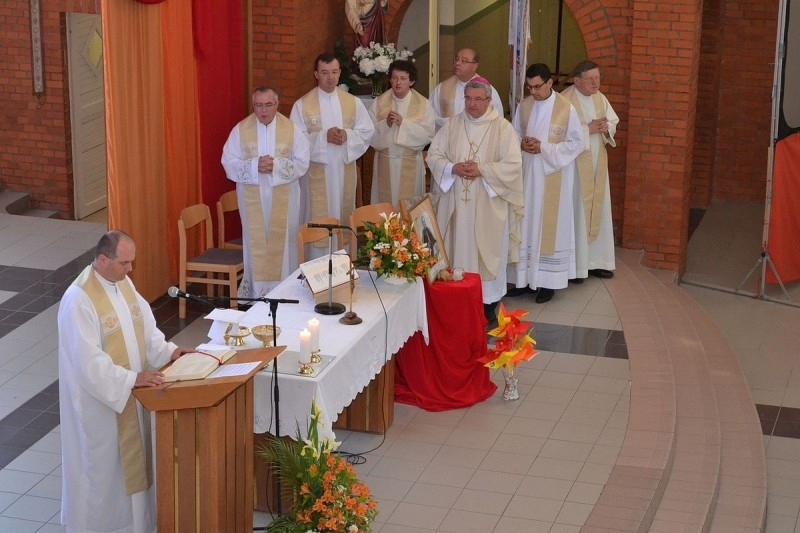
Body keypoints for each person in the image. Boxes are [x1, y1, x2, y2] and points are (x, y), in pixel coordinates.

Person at [58, 230, 193, 533]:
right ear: (102, 260)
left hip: (131, 400)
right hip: (101, 411)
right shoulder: (78, 300)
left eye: (132, 262)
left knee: (131, 475)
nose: (130, 269)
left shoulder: (123, 283)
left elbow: (147, 331)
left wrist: (170, 352)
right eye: (124, 263)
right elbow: (88, 364)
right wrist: (132, 379)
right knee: (104, 479)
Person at [426, 77, 523, 320]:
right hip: (456, 206)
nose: (472, 104)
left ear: (489, 100)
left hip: (488, 206)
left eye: (478, 99)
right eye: (468, 98)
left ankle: (487, 304)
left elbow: (513, 165)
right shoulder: (453, 125)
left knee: (486, 254)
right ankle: (455, 299)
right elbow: (433, 155)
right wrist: (452, 168)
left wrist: (483, 170)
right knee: (456, 249)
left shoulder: (503, 128)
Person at [222, 86, 310, 297]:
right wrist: (255, 166)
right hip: (253, 198)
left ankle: (286, 292)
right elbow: (228, 161)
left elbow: (303, 161)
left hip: (285, 198)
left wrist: (275, 166)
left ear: (277, 105)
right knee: (256, 243)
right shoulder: (241, 130)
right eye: (259, 105)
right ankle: (257, 293)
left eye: (268, 105)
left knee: (285, 243)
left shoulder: (292, 130)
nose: (264, 110)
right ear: (253, 106)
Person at [507, 63, 585, 303]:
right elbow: (513, 134)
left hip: (553, 177)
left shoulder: (565, 108)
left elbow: (576, 143)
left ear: (550, 83)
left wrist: (544, 147)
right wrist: (521, 143)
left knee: (548, 227)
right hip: (528, 175)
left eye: (537, 87)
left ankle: (547, 282)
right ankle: (523, 279)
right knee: (526, 224)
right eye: (529, 87)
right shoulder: (524, 105)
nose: (533, 92)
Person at [290, 52, 375, 254]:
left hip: (343, 171)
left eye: (334, 72)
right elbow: (295, 140)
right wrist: (322, 137)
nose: (330, 78)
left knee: (342, 214)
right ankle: (314, 263)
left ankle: (342, 262)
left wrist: (347, 135)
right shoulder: (302, 105)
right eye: (325, 72)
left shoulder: (352, 102)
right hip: (316, 174)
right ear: (316, 74)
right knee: (316, 215)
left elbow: (366, 131)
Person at [561, 60, 619, 279]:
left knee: (599, 209)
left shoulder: (600, 98)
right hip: (574, 169)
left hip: (597, 164)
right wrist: (588, 129)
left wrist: (606, 127)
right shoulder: (564, 101)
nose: (596, 83)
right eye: (591, 79)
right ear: (577, 80)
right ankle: (576, 267)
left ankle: (596, 261)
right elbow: (558, 134)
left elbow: (613, 120)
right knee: (577, 212)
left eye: (598, 78)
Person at [368, 59, 435, 205]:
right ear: (390, 79)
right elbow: (368, 133)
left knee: (409, 208)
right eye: (394, 77)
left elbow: (428, 134)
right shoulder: (379, 102)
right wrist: (386, 125)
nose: (398, 82)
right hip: (385, 162)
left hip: (410, 163)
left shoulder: (423, 104)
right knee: (385, 210)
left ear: (411, 81)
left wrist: (403, 124)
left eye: (403, 78)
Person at [429, 48, 505, 132]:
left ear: (474, 66)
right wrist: (451, 123)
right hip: (449, 137)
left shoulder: (487, 90)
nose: (457, 63)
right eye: (456, 59)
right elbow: (431, 115)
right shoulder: (441, 89)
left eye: (464, 61)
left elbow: (497, 120)